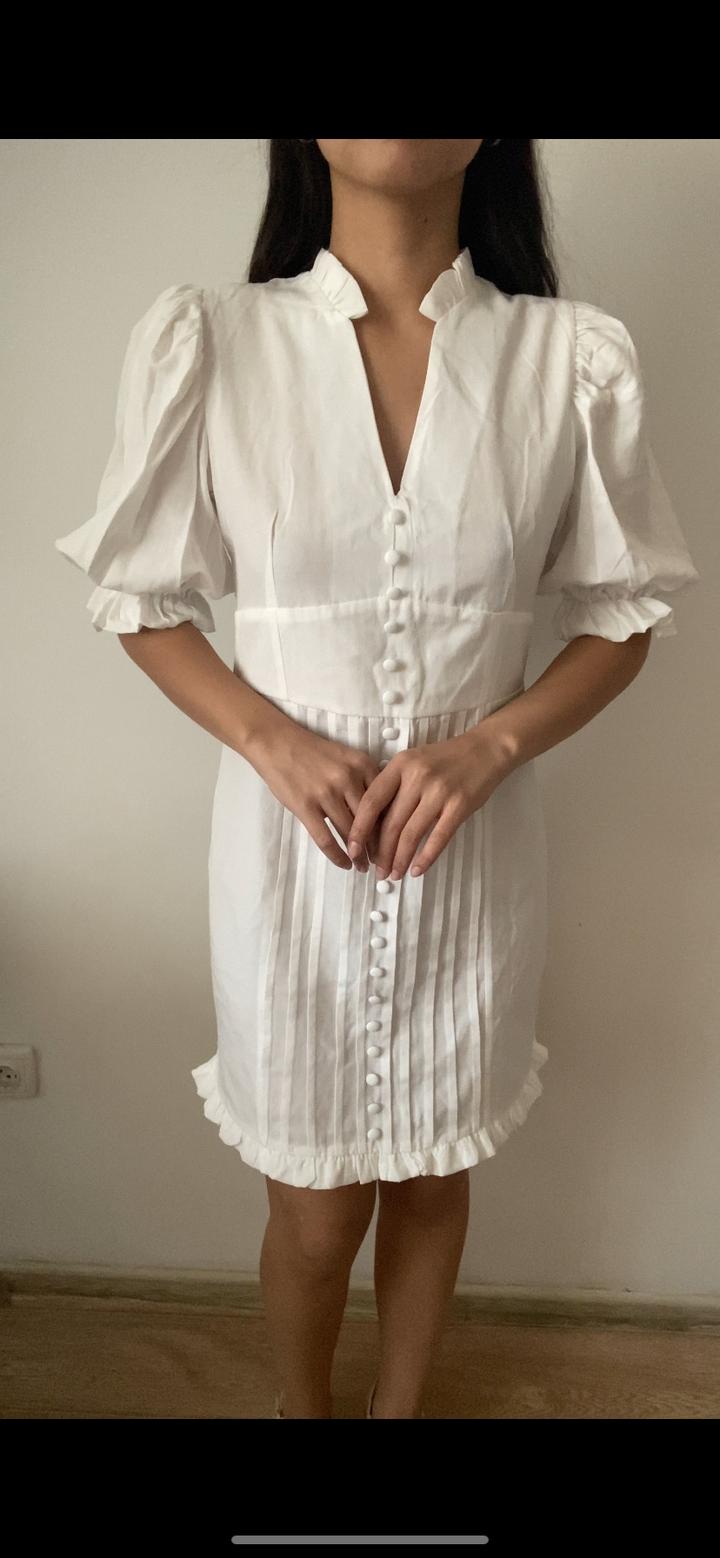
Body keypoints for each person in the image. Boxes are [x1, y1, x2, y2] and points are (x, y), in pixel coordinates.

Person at [54, 139, 700, 1420]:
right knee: (312, 1212)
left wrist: (492, 743)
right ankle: (303, 1411)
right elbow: (139, 597)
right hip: (288, 865)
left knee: (435, 1181)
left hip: (475, 853)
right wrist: (270, 737)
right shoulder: (216, 342)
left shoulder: (565, 357)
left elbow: (622, 617)